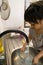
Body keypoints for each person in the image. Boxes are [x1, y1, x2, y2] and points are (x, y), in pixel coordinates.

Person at [21, 0, 43, 65]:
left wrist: (37, 57)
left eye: (33, 24)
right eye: (30, 24)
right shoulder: (32, 29)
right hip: (36, 50)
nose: (31, 26)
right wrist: (25, 44)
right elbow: (30, 36)